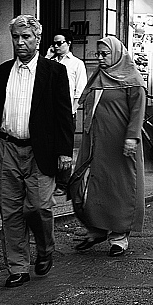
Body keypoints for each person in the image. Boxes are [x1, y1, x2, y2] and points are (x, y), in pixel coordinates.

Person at [0, 15, 74, 287]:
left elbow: (63, 115)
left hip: (40, 151)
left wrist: (64, 151)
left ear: (37, 39)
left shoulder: (55, 73)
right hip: (6, 148)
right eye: (16, 37)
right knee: (10, 212)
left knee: (38, 207)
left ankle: (45, 249)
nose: (20, 42)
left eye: (27, 37)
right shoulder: (0, 74)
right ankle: (18, 267)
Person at [72, 36, 146, 257]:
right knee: (91, 185)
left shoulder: (133, 79)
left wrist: (132, 137)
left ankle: (119, 237)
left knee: (120, 187)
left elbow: (137, 110)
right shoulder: (99, 76)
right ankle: (96, 230)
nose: (101, 59)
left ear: (117, 54)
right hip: (96, 141)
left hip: (121, 144)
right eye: (99, 54)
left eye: (105, 54)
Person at [46, 29, 88, 196]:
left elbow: (80, 90)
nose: (56, 46)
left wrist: (72, 110)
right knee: (49, 144)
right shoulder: (49, 61)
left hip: (67, 110)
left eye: (59, 43)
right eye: (54, 43)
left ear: (68, 43)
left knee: (65, 146)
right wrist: (48, 56)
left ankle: (62, 183)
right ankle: (49, 179)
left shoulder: (76, 63)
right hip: (49, 110)